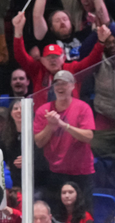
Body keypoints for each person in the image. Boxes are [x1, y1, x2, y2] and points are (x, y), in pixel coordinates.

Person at [12, 12, 108, 112]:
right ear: (42, 60)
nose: (52, 60)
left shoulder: (72, 68)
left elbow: (92, 61)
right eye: (49, 57)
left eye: (56, 56)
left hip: (70, 117)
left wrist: (101, 42)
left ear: (64, 58)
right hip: (43, 119)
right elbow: (20, 56)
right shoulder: (38, 70)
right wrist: (18, 30)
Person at [33, 70, 95, 214]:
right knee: (56, 214)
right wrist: (50, 126)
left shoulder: (83, 108)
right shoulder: (43, 111)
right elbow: (39, 142)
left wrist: (63, 125)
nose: (60, 87)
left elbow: (88, 136)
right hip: (56, 172)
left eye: (64, 83)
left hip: (81, 171)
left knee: (83, 213)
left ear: (72, 86)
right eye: (57, 83)